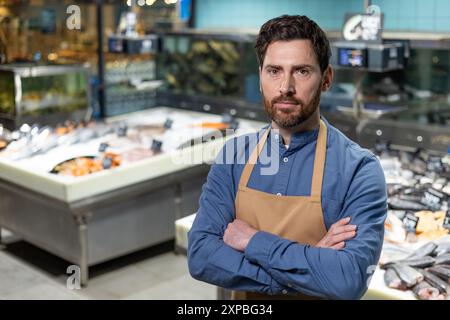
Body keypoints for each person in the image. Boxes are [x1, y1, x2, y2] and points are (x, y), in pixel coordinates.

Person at [187, 15, 387, 300]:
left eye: (302, 71)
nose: (285, 87)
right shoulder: (233, 156)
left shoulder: (359, 169)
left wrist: (252, 241)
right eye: (274, 71)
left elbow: (347, 279)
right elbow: (201, 255)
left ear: (326, 78)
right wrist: (308, 266)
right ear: (260, 77)